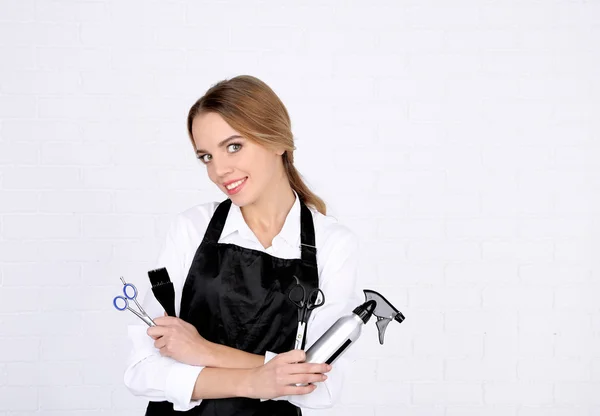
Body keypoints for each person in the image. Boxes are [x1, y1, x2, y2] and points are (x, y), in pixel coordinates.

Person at [123, 75, 362, 415]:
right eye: (205, 156)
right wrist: (256, 381)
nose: (219, 170)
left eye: (234, 146)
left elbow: (320, 388)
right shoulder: (191, 228)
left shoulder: (333, 244)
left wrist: (204, 352)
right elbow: (142, 370)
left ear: (278, 141)